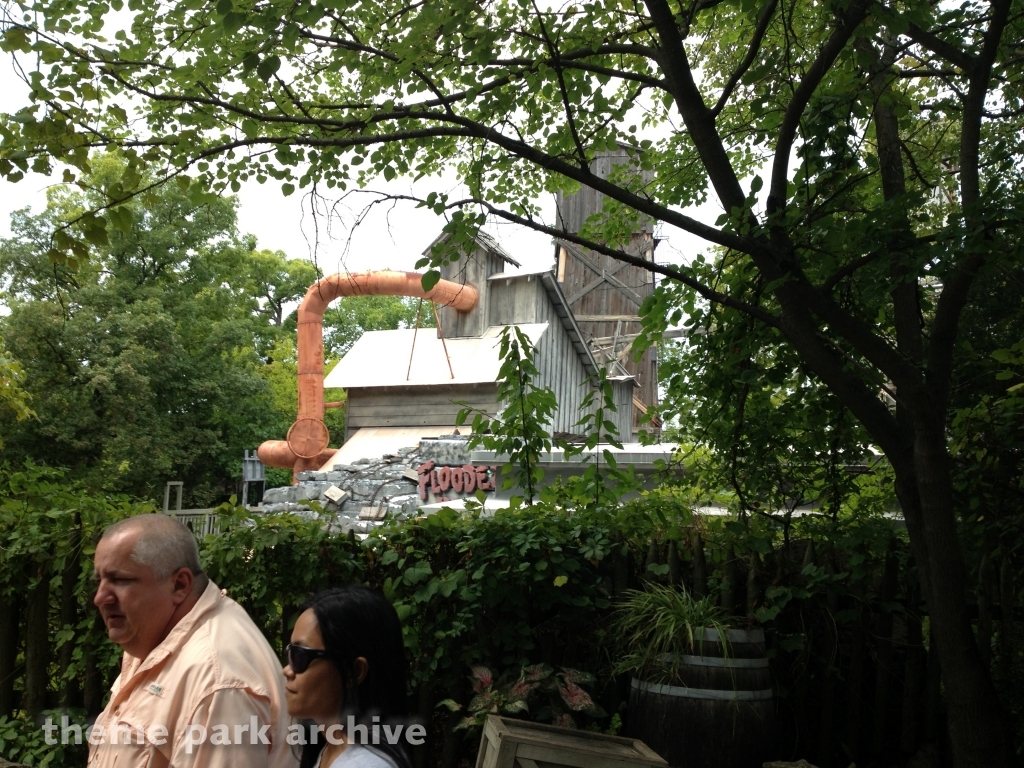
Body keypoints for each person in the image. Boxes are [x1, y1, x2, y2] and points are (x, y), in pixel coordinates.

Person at [89, 513, 295, 767]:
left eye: (119, 580)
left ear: (179, 585)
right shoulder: (154, 635)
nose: (100, 598)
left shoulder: (219, 681)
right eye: (99, 581)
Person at [284, 585, 415, 768]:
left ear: (353, 672)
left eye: (300, 656)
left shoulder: (366, 764)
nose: (287, 670)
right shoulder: (334, 749)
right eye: (290, 653)